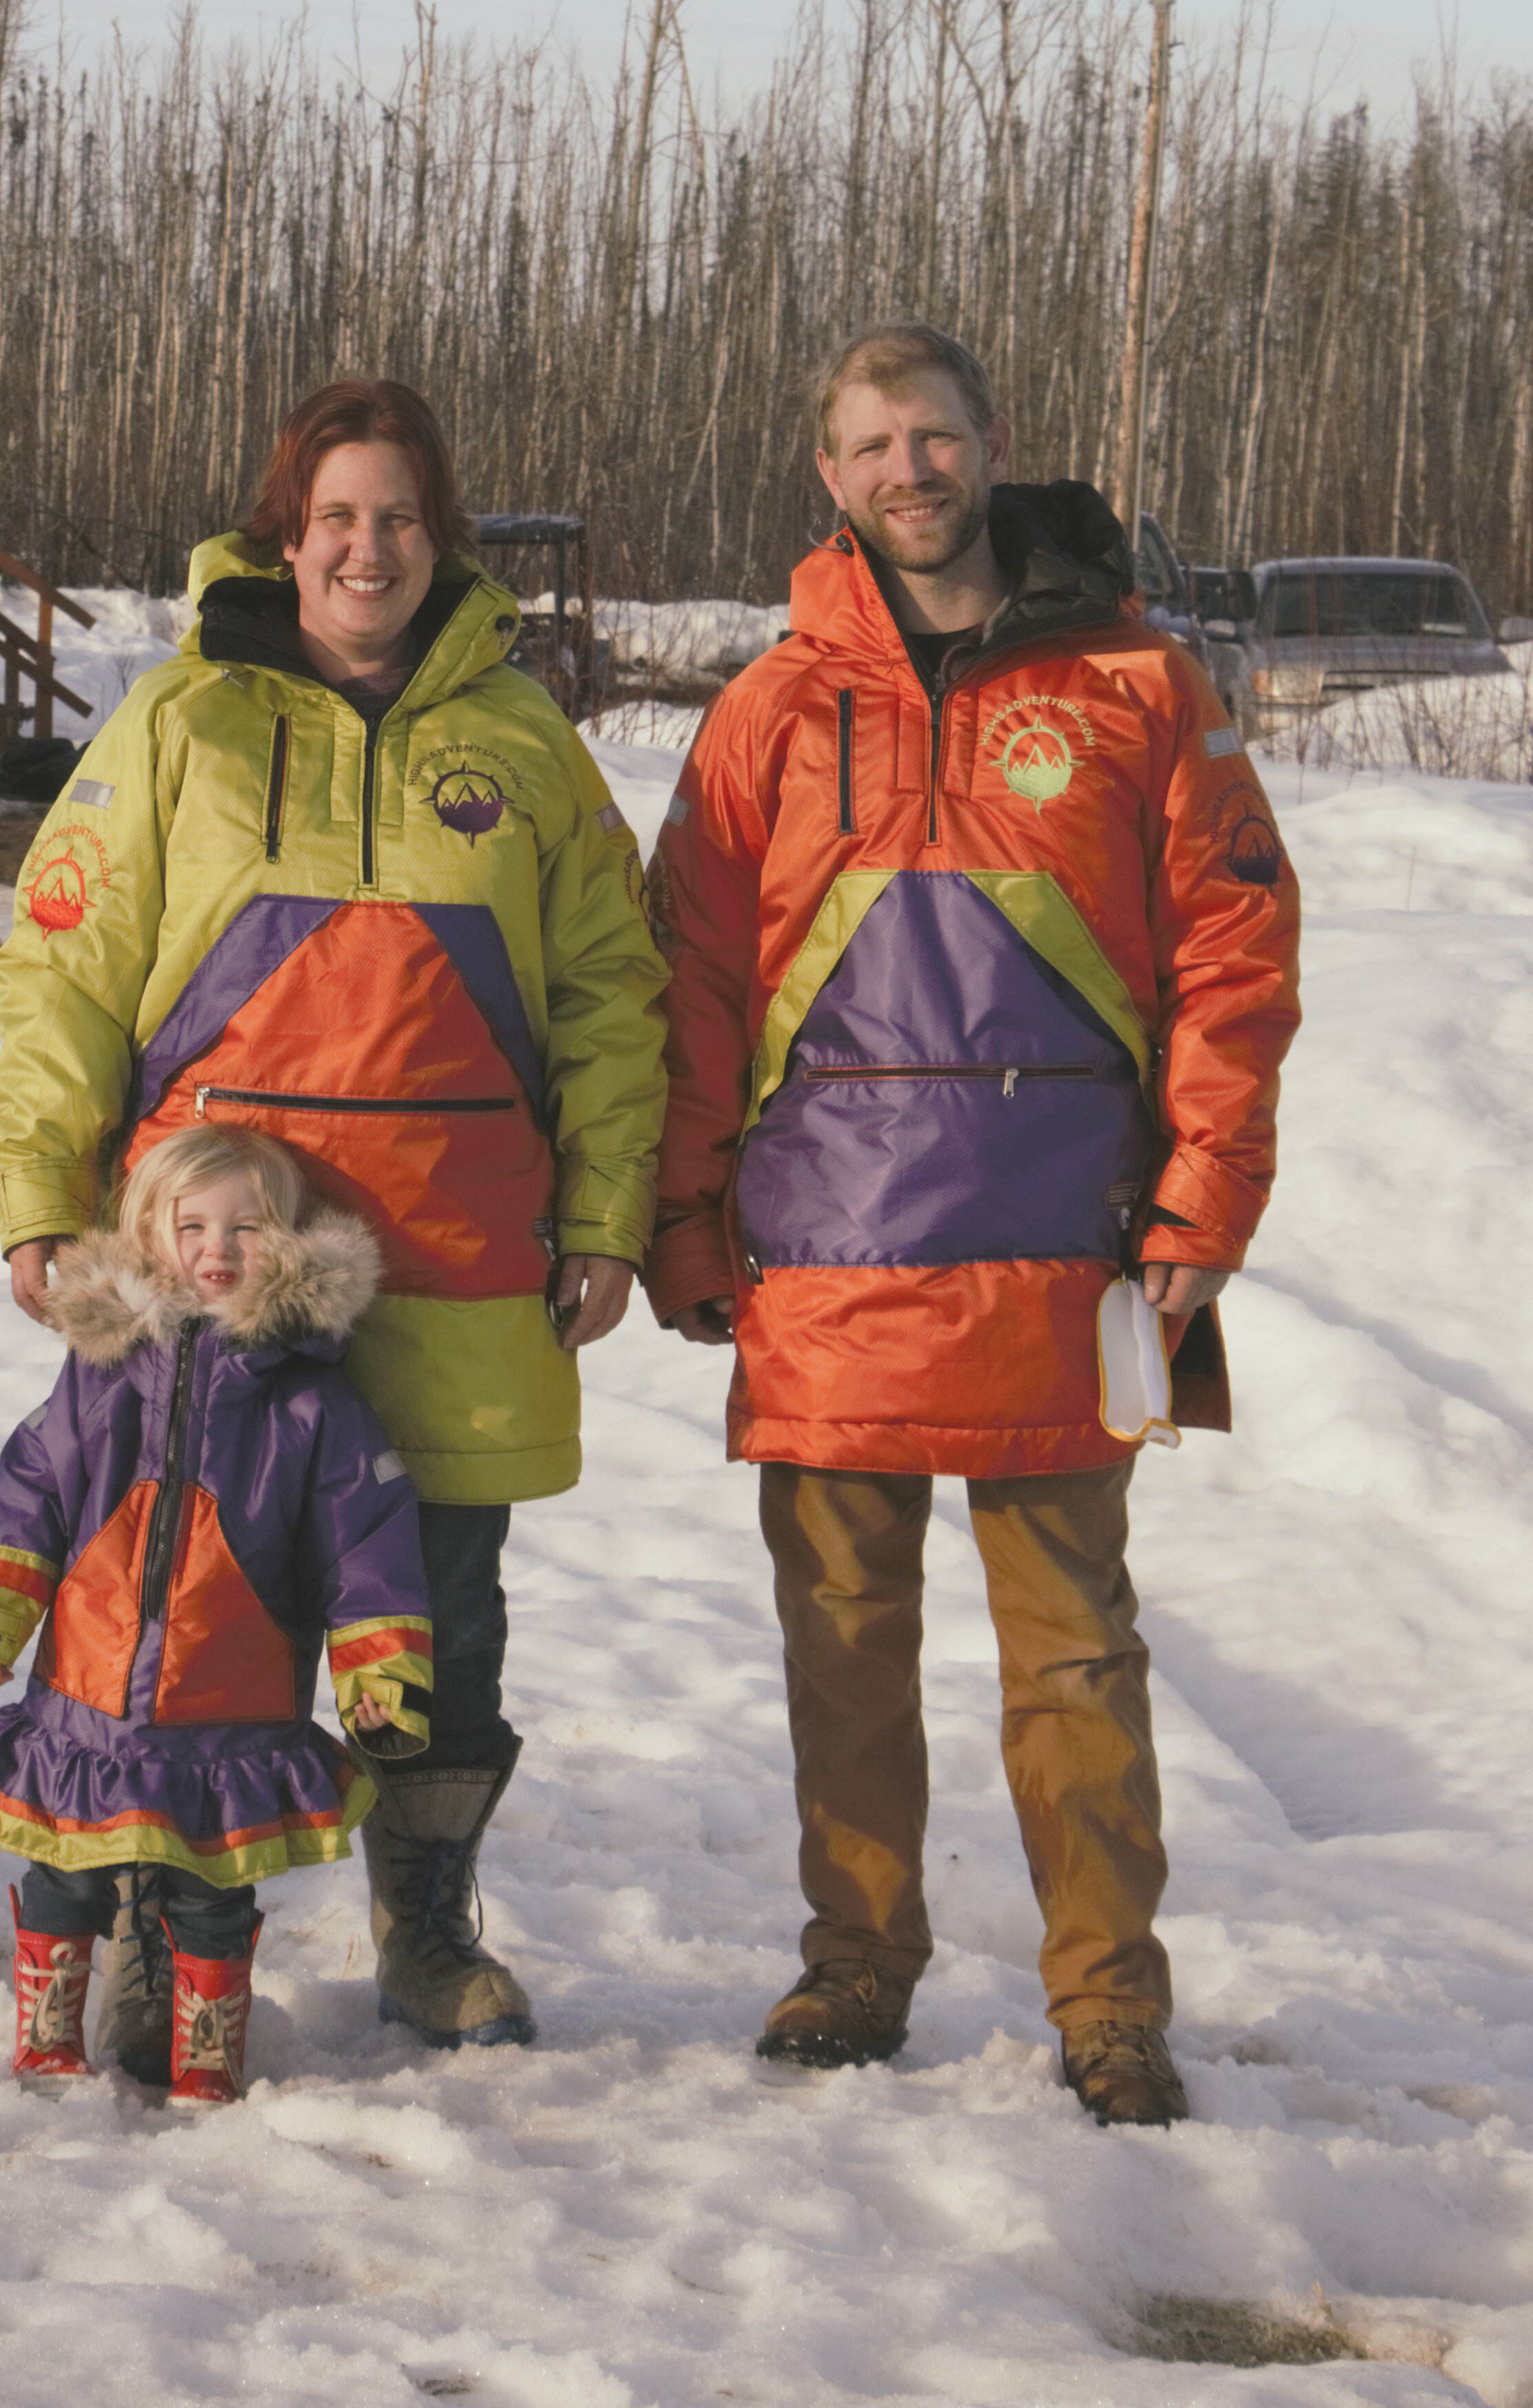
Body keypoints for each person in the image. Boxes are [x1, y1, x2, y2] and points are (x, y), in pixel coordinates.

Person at [645, 321, 1300, 2127]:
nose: (906, 471)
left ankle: (1110, 2011)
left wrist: (1204, 1202)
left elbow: (1240, 958)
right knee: (840, 1646)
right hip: (821, 1266)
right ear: (827, 477)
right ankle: (856, 1969)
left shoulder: (1141, 685)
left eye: (932, 437)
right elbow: (689, 981)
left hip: (1068, 1258)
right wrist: (679, 1223)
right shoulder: (770, 709)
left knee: (1076, 1653)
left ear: (992, 446)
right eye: (870, 445)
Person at [0, 377, 667, 2045]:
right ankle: (158, 1918)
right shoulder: (179, 723)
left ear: (443, 540)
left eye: (402, 518)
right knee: (191, 1613)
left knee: (437, 1623)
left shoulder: (523, 745)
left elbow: (608, 992)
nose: (370, 548)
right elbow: (65, 965)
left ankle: (425, 1932)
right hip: (212, 1276)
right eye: (338, 518)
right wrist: (40, 1197)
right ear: (286, 537)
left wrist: (607, 1216)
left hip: (456, 1271)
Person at [0, 1130, 432, 2101]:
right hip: (85, 1696)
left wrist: (381, 1675)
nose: (219, 1246)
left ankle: (208, 2047)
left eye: (248, 1226)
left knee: (211, 1890)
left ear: (286, 1241)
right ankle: (48, 2033)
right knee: (65, 1872)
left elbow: (366, 1542)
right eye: (191, 1224)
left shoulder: (312, 1401)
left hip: (229, 1705)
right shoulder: (102, 1373)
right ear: (148, 1232)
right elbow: (33, 1488)